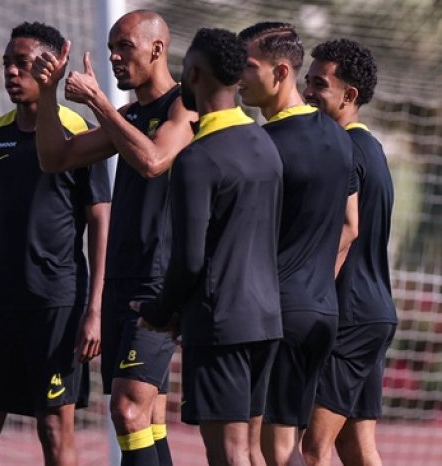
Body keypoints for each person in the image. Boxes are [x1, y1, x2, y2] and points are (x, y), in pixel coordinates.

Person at [31, 9, 197, 466]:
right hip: (123, 279)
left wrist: (99, 104)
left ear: (157, 50)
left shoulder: (184, 105)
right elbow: (54, 158)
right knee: (146, 418)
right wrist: (48, 94)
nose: (114, 57)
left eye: (124, 47)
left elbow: (154, 161)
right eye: (110, 48)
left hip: (158, 283)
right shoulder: (131, 114)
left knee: (126, 411)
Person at [137, 27, 284, 466]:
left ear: (195, 74)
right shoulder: (265, 143)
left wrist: (159, 313)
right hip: (266, 320)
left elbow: (189, 259)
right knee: (252, 452)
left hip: (221, 324)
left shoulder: (198, 159)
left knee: (229, 454)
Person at [0, 22, 111, 466]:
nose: (12, 72)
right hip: (1, 304)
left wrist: (94, 310)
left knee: (53, 429)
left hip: (58, 305)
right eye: (7, 64)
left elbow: (101, 222)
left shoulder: (79, 130)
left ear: (50, 67)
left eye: (23, 63)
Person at [237, 23, 356, 465]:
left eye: (248, 66)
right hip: (321, 310)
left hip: (275, 315)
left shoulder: (262, 144)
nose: (238, 76)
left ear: (281, 71)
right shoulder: (340, 138)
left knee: (266, 449)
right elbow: (351, 225)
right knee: (288, 447)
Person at [301, 39, 397, 466]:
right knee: (356, 447)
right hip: (372, 313)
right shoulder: (370, 148)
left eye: (319, 84)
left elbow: (346, 231)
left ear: (349, 95)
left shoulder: (343, 150)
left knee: (312, 449)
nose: (307, 92)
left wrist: (310, 295)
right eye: (307, 80)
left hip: (350, 317)